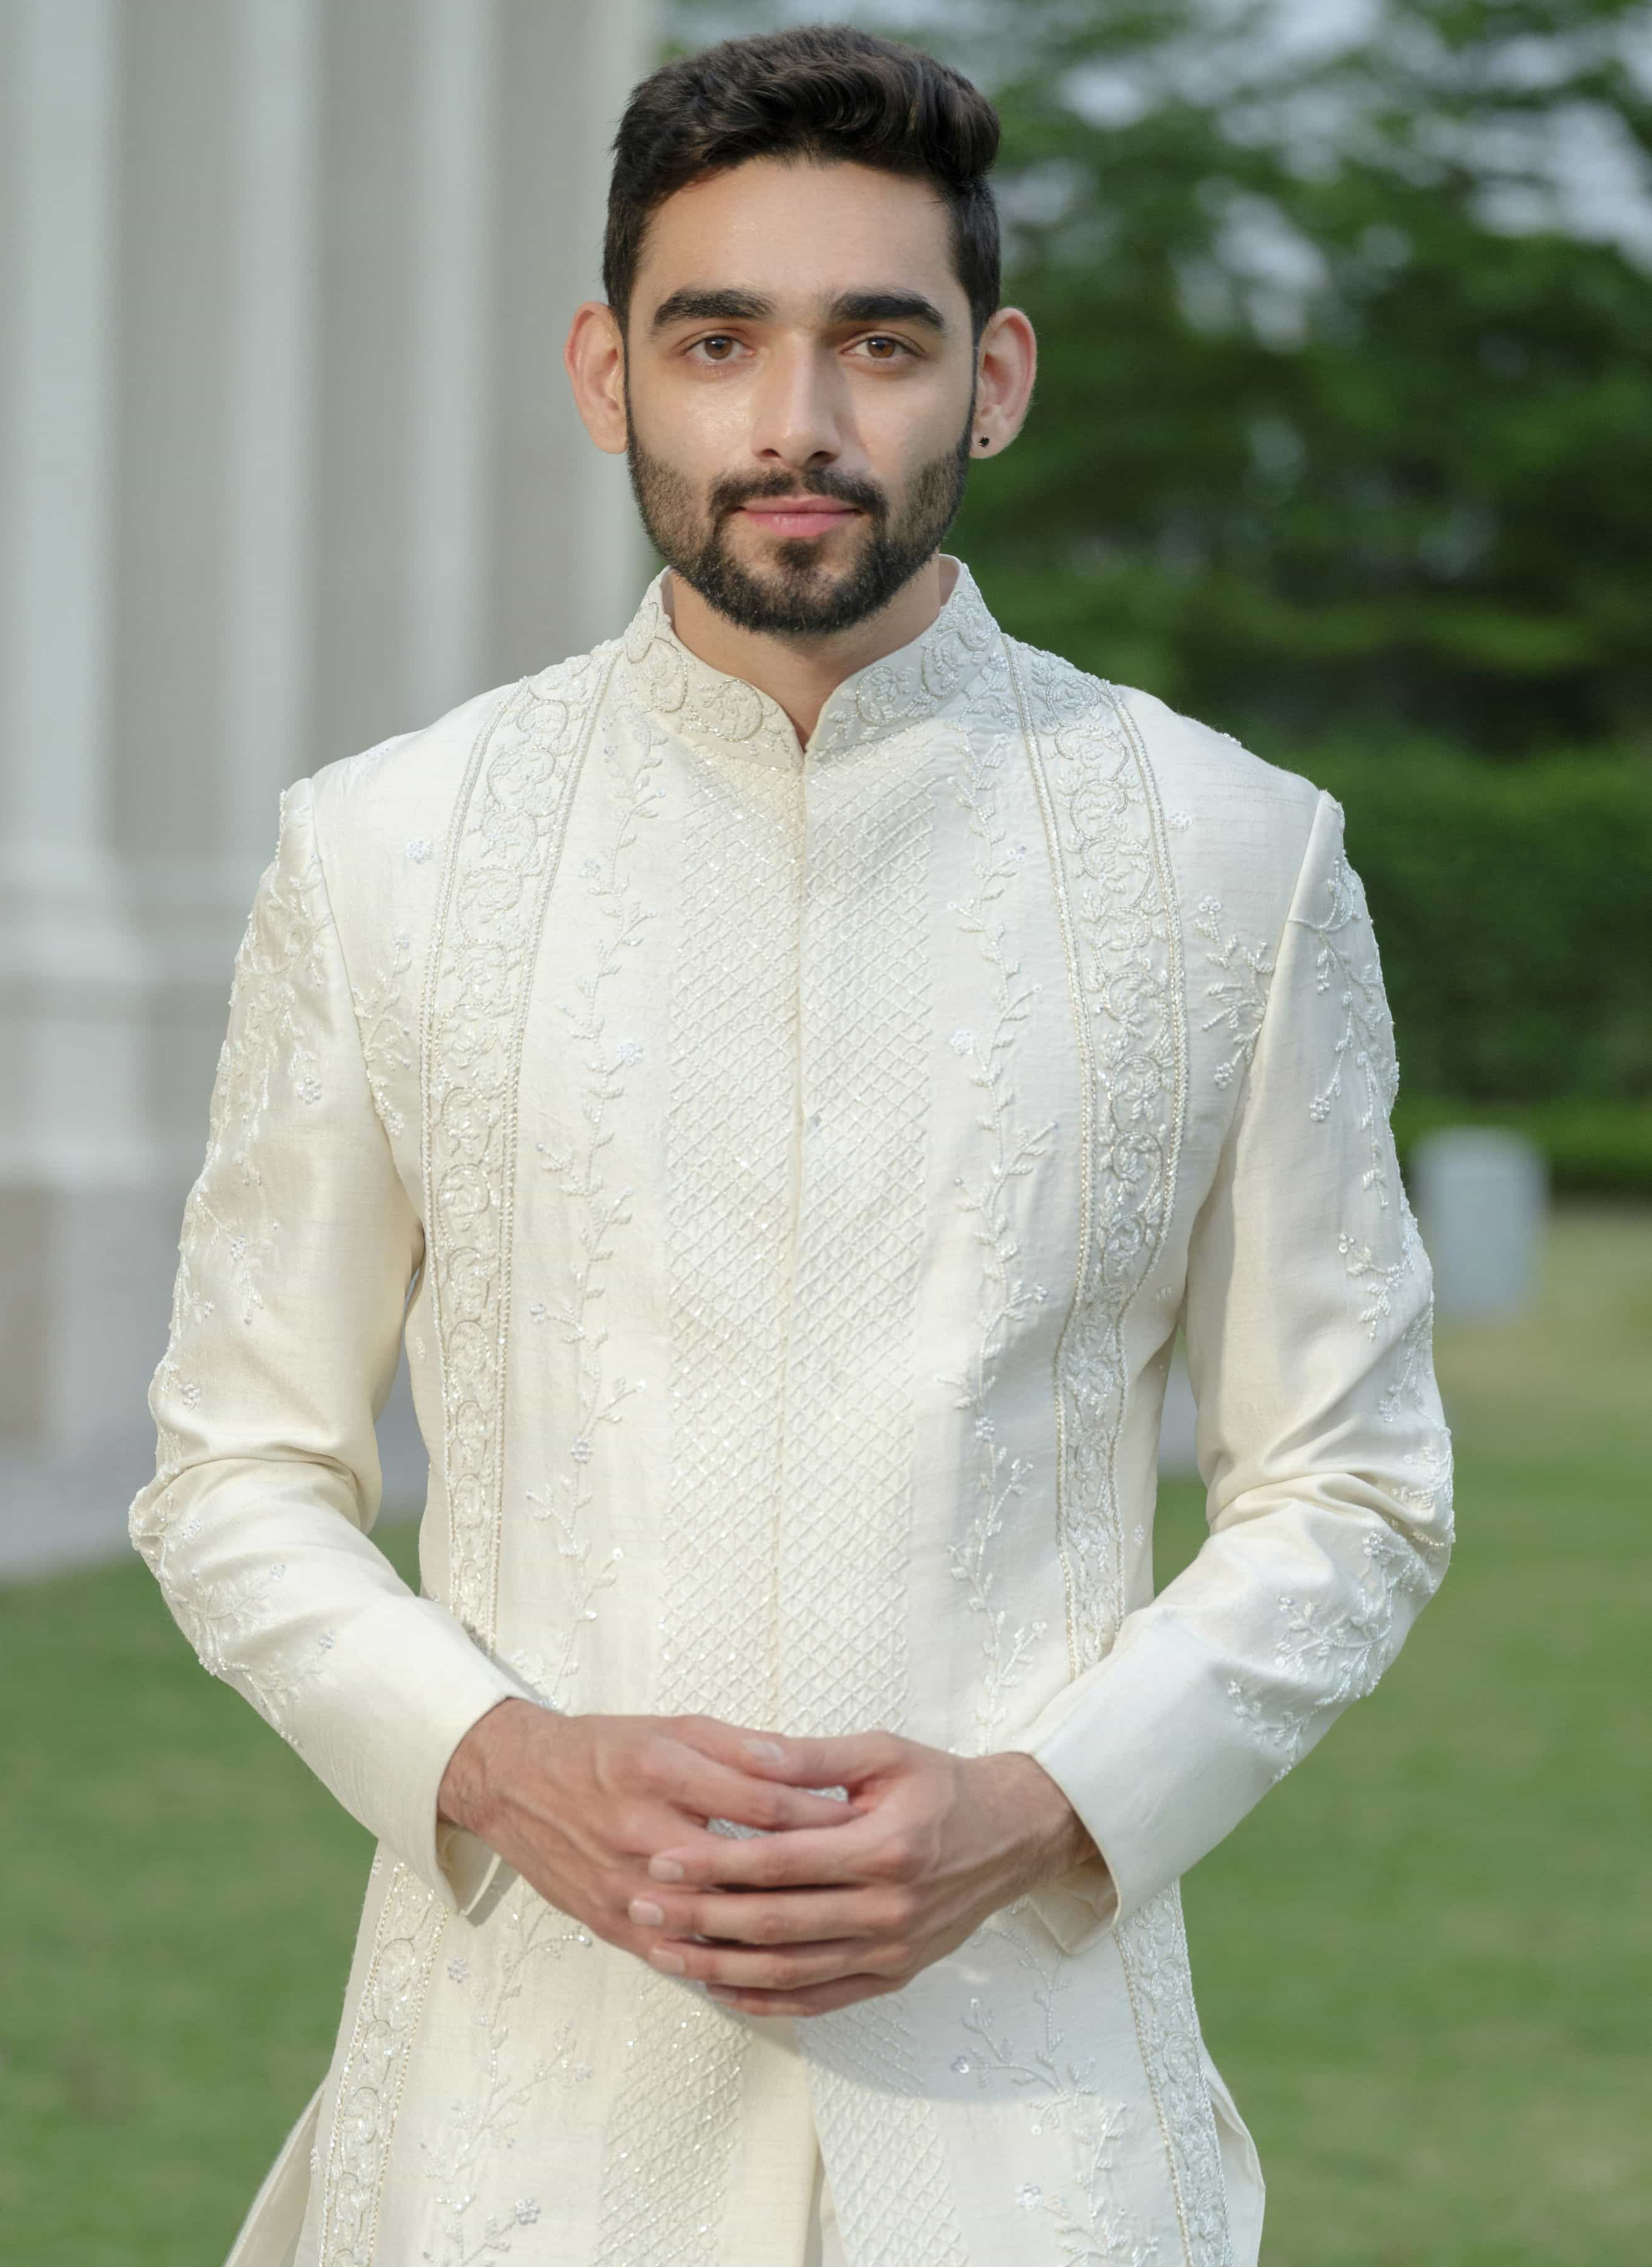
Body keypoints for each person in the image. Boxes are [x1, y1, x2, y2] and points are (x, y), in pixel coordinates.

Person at [128, 24, 1454, 2267]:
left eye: (880, 342)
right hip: (506, 2130)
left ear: (995, 375)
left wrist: (1038, 1808)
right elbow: (231, 1463)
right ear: (604, 369)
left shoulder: (1236, 860)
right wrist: (497, 1764)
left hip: (1033, 2132)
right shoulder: (389, 853)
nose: (797, 424)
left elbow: (1351, 1482)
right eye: (717, 338)